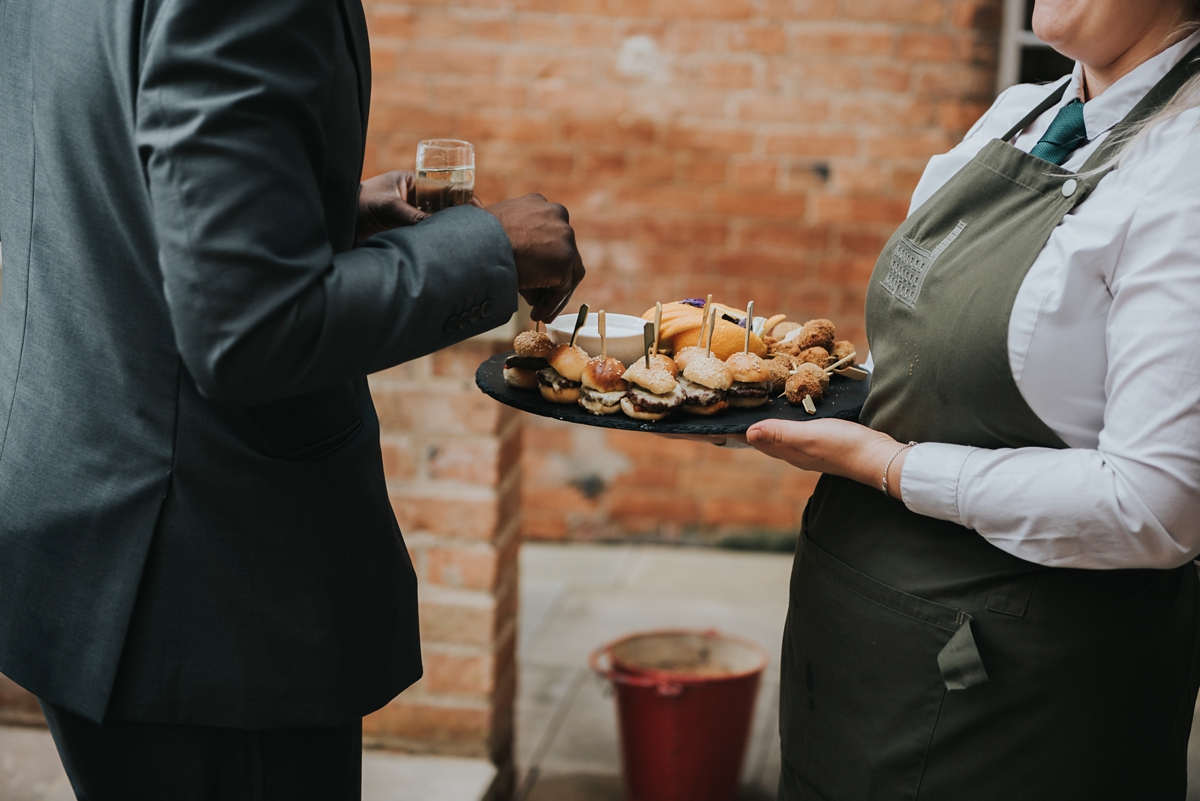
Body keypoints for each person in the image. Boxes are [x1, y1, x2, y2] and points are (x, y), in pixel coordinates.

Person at [0, 0, 583, 798]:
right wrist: (490, 250)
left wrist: (311, 211)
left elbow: (98, 173)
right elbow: (248, 329)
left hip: (77, 529)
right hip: (210, 584)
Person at [738, 1, 1200, 797]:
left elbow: (1155, 506)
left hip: (1016, 688)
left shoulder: (1186, 166)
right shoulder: (1020, 115)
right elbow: (913, 358)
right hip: (851, 638)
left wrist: (891, 467)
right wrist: (761, 396)